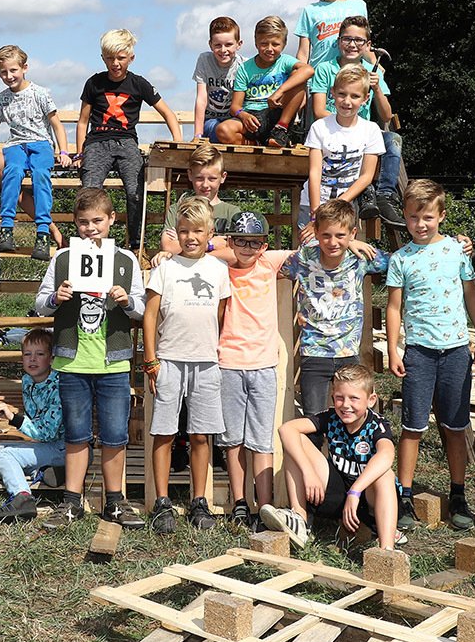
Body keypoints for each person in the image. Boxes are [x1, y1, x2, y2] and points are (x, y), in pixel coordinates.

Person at [34, 189, 147, 530]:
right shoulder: (63, 258)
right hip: (73, 362)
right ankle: (71, 502)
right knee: (76, 434)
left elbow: (142, 309)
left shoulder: (125, 260)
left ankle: (115, 501)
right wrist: (55, 298)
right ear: (75, 223)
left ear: (112, 219)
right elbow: (39, 304)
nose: (90, 228)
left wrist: (127, 301)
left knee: (115, 435)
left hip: (113, 362)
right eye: (83, 222)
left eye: (98, 220)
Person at [384, 179, 475, 534]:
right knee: (413, 427)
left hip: (456, 351)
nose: (420, 224)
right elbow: (394, 307)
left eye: (428, 217)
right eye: (414, 217)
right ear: (405, 216)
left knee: (455, 427)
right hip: (419, 353)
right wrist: (394, 348)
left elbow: (470, 294)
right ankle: (404, 496)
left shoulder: (457, 251)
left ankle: (458, 495)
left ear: (441, 215)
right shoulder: (400, 259)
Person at [144, 197, 231, 533]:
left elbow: (220, 315)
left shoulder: (218, 270)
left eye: (197, 231)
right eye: (183, 231)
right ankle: (161, 501)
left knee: (200, 434)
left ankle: (199, 501)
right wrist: (150, 360)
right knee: (164, 431)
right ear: (176, 233)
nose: (190, 237)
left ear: (209, 233)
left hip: (206, 362)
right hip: (169, 359)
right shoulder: (165, 269)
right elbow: (150, 316)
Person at [261, 365, 402, 549]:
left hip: (369, 501)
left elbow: (386, 455)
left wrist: (355, 492)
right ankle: (300, 521)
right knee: (295, 442)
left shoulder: (377, 424)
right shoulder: (331, 417)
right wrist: (308, 472)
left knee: (385, 475)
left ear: (371, 400)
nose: (346, 405)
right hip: (339, 496)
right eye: (340, 398)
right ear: (333, 397)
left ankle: (387, 549)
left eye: (354, 398)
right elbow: (286, 429)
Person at [213, 211, 295, 529]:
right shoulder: (219, 268)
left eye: (255, 242)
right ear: (231, 241)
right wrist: (219, 246)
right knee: (232, 440)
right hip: (229, 363)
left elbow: (311, 251)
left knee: (261, 440)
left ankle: (265, 505)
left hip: (263, 365)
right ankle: (240, 503)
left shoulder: (268, 263)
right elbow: (200, 248)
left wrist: (352, 242)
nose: (248, 248)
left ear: (264, 245)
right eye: (241, 241)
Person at [77, 29, 183, 251]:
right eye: (110, 58)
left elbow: (168, 113)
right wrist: (79, 153)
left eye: (121, 58)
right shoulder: (94, 83)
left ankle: (135, 244)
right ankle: (89, 242)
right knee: (89, 192)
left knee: (135, 192)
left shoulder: (139, 84)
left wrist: (178, 145)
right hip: (97, 142)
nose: (115, 63)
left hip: (126, 143)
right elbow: (83, 121)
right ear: (103, 58)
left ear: (131, 58)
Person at [280, 198, 387, 415]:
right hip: (314, 352)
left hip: (348, 352)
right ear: (316, 233)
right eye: (326, 235)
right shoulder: (303, 258)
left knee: (353, 415)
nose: (332, 242)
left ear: (353, 233)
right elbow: (269, 266)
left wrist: (454, 243)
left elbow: (403, 260)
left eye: (340, 235)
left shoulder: (360, 258)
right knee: (314, 419)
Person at [0, 45, 73, 262]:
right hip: (16, 144)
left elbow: (56, 125)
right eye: (3, 72)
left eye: (13, 70)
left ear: (24, 68)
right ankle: (7, 227)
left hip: (40, 143)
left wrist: (64, 151)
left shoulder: (40, 93)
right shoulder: (2, 98)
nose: (9, 76)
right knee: (12, 171)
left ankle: (42, 232)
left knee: (41, 175)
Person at [307, 16, 401, 223]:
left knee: (393, 140)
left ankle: (385, 195)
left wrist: (377, 88)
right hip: (333, 129)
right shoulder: (325, 69)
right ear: (338, 41)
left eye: (359, 40)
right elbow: (319, 110)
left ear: (368, 44)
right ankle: (366, 192)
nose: (352, 44)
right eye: (347, 39)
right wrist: (345, 123)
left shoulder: (373, 72)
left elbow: (386, 115)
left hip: (363, 134)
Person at [0, 328, 66, 522]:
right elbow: (35, 420)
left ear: (51, 358)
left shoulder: (58, 385)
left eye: (40, 354)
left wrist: (14, 418)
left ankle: (22, 497)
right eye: (27, 354)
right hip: (48, 445)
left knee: (3, 454)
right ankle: (45, 471)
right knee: (4, 450)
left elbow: (47, 432)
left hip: (66, 448)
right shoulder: (28, 381)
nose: (33, 359)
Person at [299, 65, 384, 239]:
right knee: (311, 250)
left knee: (342, 249)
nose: (347, 101)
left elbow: (366, 176)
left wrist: (338, 205)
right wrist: (316, 215)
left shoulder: (371, 130)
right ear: (332, 93)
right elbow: (315, 171)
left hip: (346, 206)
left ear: (365, 99)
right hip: (314, 203)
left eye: (355, 96)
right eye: (342, 94)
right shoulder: (320, 127)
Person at [214, 16, 313, 149]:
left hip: (277, 114)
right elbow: (235, 107)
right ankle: (258, 144)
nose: (269, 49)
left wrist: (279, 92)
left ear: (284, 44)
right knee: (223, 130)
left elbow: (308, 70)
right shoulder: (245, 68)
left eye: (275, 44)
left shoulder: (285, 61)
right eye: (264, 44)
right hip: (252, 117)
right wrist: (243, 115)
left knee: (299, 77)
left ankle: (281, 130)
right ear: (256, 43)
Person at [160, 142, 239, 257]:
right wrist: (210, 245)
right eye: (199, 178)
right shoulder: (177, 209)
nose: (205, 185)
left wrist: (185, 246)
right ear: (190, 175)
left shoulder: (232, 213)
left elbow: (235, 254)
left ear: (223, 177)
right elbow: (168, 247)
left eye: (212, 179)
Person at [193, 16, 244, 142]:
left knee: (229, 130)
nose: (223, 50)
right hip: (212, 118)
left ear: (239, 44)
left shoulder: (244, 65)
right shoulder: (204, 60)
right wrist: (198, 134)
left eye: (228, 45)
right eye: (217, 45)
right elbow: (201, 98)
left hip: (235, 119)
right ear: (210, 45)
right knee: (215, 130)